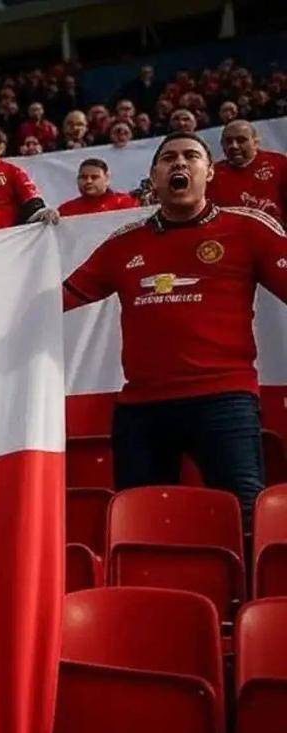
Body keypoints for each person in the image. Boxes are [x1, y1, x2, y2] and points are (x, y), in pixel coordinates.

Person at [62, 131, 287, 527]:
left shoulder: (248, 229)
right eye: (168, 158)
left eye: (191, 156)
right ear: (154, 177)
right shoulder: (123, 244)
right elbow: (57, 301)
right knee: (141, 524)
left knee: (246, 519)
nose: (179, 163)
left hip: (224, 400)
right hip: (142, 409)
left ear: (209, 172)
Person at [208, 120, 287, 221]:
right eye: (228, 141)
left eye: (241, 140)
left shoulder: (279, 163)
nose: (234, 146)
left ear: (255, 142)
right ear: (222, 144)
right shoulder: (211, 174)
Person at [58, 159, 142, 216]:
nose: (88, 181)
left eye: (94, 177)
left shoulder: (126, 204)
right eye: (83, 177)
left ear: (106, 179)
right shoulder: (66, 210)